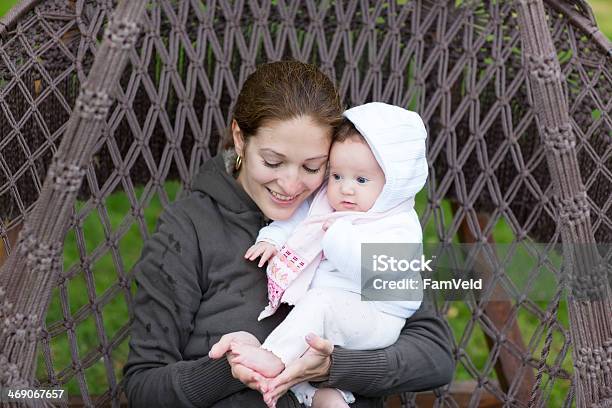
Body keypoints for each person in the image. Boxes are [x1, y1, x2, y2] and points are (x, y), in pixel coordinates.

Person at [123, 60, 454, 408]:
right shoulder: (190, 229)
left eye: (314, 167)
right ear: (240, 139)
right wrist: (232, 367)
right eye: (272, 162)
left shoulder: (353, 216)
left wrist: (332, 367)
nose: (292, 185)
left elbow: (434, 356)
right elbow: (144, 386)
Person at [233, 103, 427, 407]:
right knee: (312, 330)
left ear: (393, 186)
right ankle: (323, 397)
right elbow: (301, 223)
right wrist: (272, 238)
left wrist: (336, 237)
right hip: (335, 311)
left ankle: (272, 356)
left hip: (376, 316)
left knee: (320, 304)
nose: (345, 189)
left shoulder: (398, 224)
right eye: (337, 176)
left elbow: (373, 268)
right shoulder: (330, 203)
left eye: (361, 180)